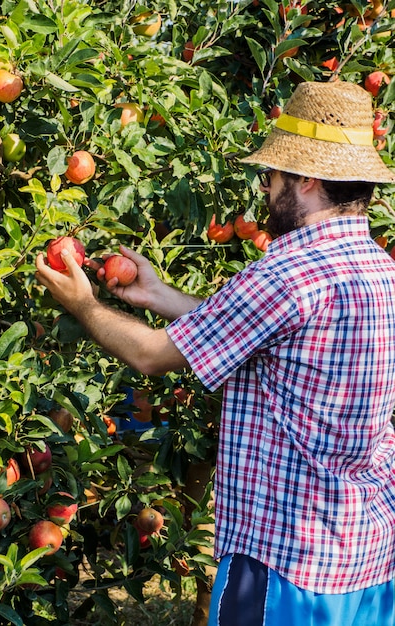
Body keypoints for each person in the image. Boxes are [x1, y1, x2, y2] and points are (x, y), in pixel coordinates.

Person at [36, 80, 395, 626]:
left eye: (272, 175)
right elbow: (268, 333)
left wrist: (84, 305)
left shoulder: (286, 272)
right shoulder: (380, 271)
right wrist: (157, 294)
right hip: (365, 556)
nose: (266, 188)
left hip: (283, 560)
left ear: (306, 180)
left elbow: (153, 357)